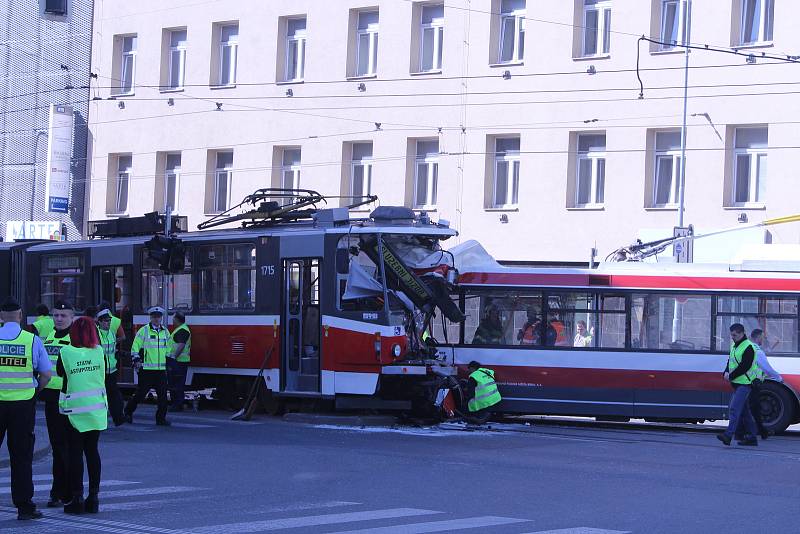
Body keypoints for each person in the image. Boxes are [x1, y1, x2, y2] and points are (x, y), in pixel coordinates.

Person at [0, 296, 51, 520]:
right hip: (23, 405)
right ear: (20, 316)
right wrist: (35, 391)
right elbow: (47, 374)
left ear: (1, 317)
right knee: (21, 457)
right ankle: (24, 506)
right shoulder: (31, 340)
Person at [57, 317, 108, 514]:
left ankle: (76, 498)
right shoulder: (99, 352)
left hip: (74, 411)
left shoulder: (66, 352)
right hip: (96, 409)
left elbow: (61, 374)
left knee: (75, 453)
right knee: (92, 452)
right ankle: (93, 497)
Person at [41, 300, 74, 507]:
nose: (59, 319)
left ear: (72, 318)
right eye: (56, 316)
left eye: (63, 316)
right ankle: (57, 490)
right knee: (57, 446)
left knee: (67, 447)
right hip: (51, 398)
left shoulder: (76, 339)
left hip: (69, 397)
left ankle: (66, 491)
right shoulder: (50, 337)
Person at [717, 323, 761, 447]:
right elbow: (731, 360)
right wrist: (726, 371)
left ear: (742, 333)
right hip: (737, 384)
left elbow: (745, 366)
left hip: (745, 384)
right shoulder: (735, 345)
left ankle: (728, 435)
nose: (732, 337)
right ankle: (752, 438)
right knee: (745, 412)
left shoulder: (749, 347)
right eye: (731, 335)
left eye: (734, 335)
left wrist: (731, 376)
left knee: (734, 409)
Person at [124, 307, 170, 426]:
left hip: (160, 370)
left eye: (158, 317)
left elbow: (169, 348)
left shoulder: (165, 332)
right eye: (154, 317)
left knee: (163, 396)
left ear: (161, 318)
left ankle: (161, 419)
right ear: (151, 318)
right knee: (140, 394)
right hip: (147, 370)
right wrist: (136, 359)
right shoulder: (143, 331)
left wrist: (170, 361)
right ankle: (128, 411)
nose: (156, 319)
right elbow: (135, 347)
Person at [747, 329, 783, 440]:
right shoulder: (757, 351)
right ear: (758, 337)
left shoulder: (747, 347)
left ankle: (758, 432)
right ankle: (756, 433)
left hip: (745, 382)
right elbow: (767, 368)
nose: (763, 339)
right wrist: (778, 377)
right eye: (762, 337)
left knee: (748, 408)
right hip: (753, 383)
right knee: (751, 408)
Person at [96, 309, 125, 426]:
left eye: (109, 321)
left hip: (112, 371)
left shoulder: (112, 334)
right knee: (101, 398)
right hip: (100, 373)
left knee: (114, 396)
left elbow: (112, 350)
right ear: (100, 322)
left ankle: (118, 419)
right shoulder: (96, 336)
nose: (108, 323)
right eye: (106, 321)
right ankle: (99, 421)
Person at [166, 312, 191, 412]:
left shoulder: (182, 330)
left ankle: (177, 404)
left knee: (176, 384)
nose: (172, 320)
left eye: (173, 318)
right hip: (179, 361)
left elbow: (181, 345)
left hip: (178, 361)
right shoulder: (181, 329)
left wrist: (173, 357)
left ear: (177, 320)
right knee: (176, 383)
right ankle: (176, 403)